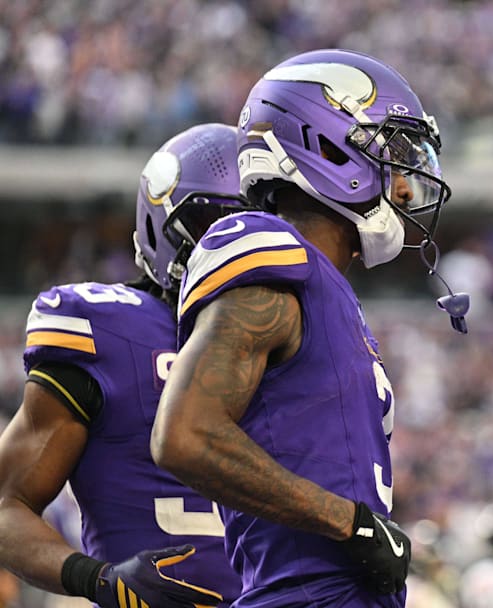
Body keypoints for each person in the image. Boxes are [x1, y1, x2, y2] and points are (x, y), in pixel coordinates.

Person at [150, 48, 455, 608]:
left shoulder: (321, 284)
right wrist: (351, 523)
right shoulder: (271, 249)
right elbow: (184, 436)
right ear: (326, 143)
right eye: (393, 153)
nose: (407, 185)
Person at [0, 123, 250, 608]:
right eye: (220, 230)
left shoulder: (306, 340)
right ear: (164, 228)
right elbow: (8, 505)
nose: (241, 254)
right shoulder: (106, 328)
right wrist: (98, 579)